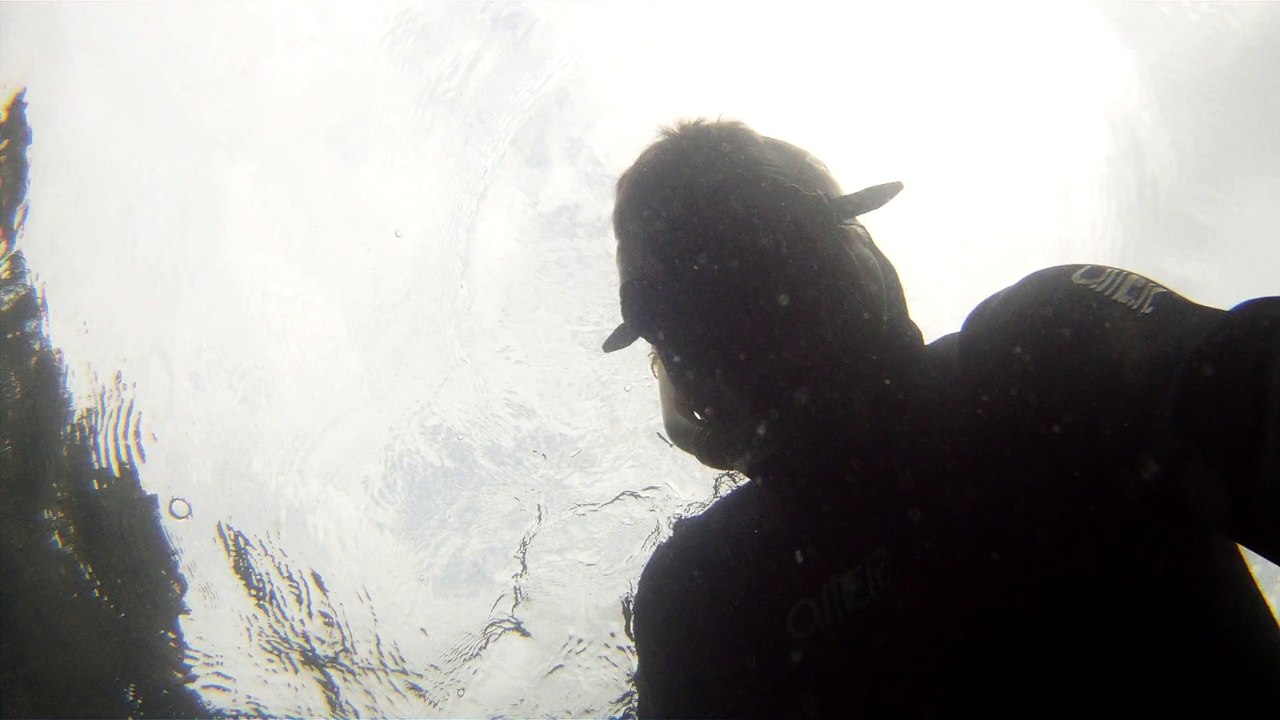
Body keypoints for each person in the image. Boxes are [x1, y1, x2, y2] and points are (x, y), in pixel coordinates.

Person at [602, 120, 1280, 717]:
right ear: (858, 249)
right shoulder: (1046, 351)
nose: (759, 323)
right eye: (708, 310)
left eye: (774, 256)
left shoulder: (703, 599)